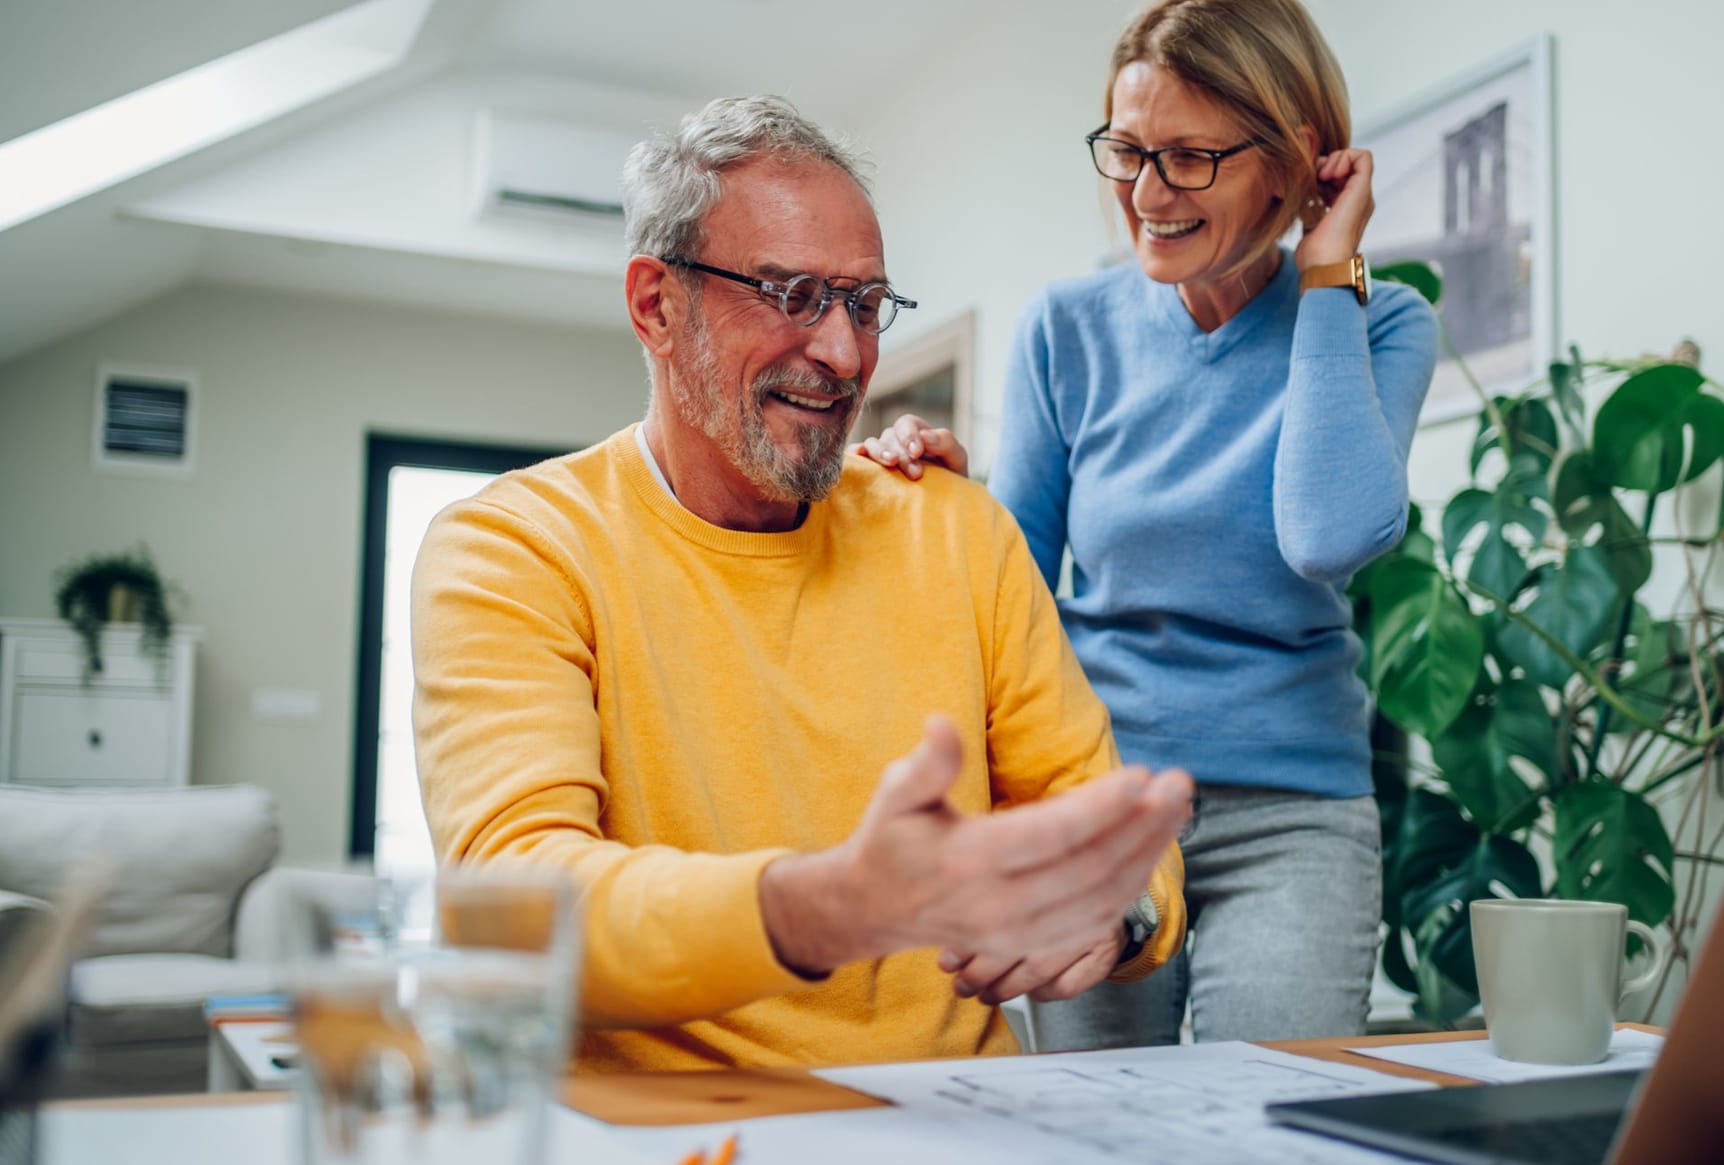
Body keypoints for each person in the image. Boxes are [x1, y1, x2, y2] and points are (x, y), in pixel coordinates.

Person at [409, 96, 1192, 1074]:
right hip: (671, 1147)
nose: (845, 353)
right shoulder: (513, 547)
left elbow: (1120, 840)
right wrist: (824, 907)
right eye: (791, 295)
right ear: (656, 304)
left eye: (865, 305)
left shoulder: (955, 527)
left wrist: (1115, 911)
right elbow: (515, 905)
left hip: (961, 1123)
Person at [857, 0, 1438, 1049]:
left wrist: (1326, 269)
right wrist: (947, 505)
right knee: (1089, 1138)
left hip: (1293, 819)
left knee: (1266, 1137)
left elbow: (1328, 533)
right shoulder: (1066, 330)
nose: (1145, 193)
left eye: (1188, 158)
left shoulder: (1378, 318)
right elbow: (1017, 595)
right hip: (1098, 807)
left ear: (1293, 157)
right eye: (1126, 151)